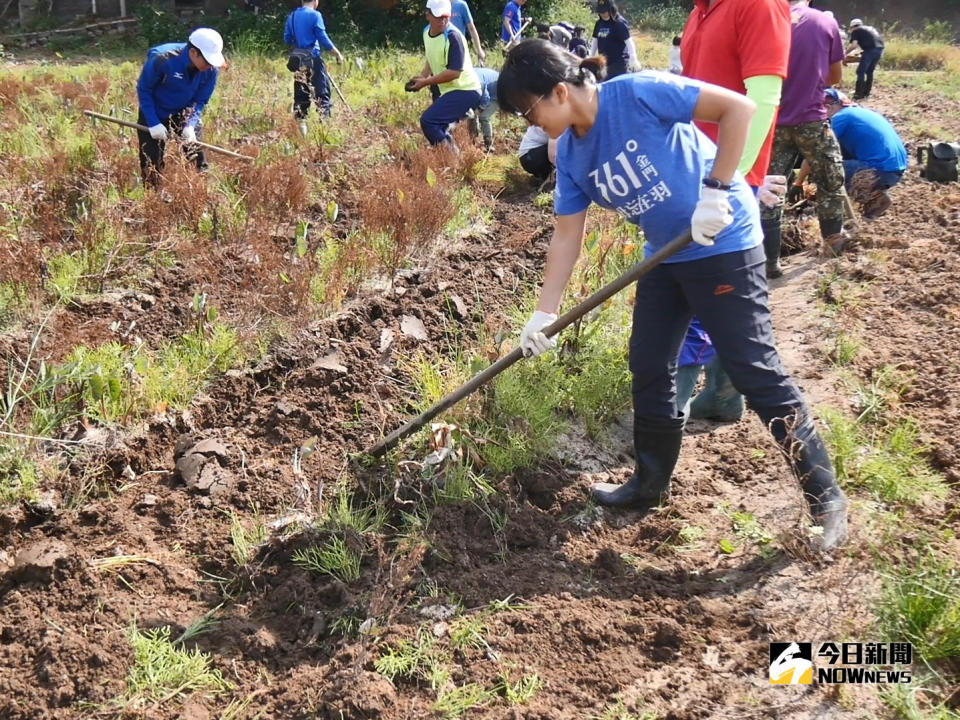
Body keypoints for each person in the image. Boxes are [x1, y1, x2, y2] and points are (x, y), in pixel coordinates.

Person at [499, 40, 849, 552]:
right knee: (648, 363)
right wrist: (542, 314)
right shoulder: (572, 154)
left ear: (558, 91)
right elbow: (565, 237)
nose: (530, 126)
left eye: (528, 111)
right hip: (666, 255)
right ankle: (649, 483)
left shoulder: (638, 93)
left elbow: (738, 108)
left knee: (754, 369)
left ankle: (826, 499)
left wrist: (717, 189)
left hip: (722, 242)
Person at [761, 0, 847, 276]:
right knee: (829, 179)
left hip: (773, 121)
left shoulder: (765, 20)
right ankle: (833, 242)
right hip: (811, 119)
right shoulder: (823, 21)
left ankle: (768, 261)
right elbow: (835, 76)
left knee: (770, 188)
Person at [794, 89, 906, 219]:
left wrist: (798, 182)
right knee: (836, 155)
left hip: (877, 170)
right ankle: (874, 196)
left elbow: (815, 154)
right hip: (893, 172)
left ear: (828, 108)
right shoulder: (861, 113)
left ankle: (831, 211)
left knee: (824, 166)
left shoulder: (840, 118)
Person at [136, 28, 225, 186]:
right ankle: (154, 201)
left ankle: (200, 195)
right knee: (151, 165)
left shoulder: (211, 70)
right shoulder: (162, 59)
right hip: (154, 111)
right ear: (193, 53)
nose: (211, 66)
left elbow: (200, 99)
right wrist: (153, 123)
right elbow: (144, 90)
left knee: (197, 158)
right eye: (207, 61)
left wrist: (190, 124)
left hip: (185, 111)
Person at [407, 0, 482, 149]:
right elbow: (431, 56)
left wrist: (426, 82)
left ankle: (452, 160)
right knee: (438, 126)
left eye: (445, 16)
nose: (443, 20)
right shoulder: (426, 33)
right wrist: (422, 76)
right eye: (438, 17)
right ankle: (454, 159)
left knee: (429, 121)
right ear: (427, 15)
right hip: (449, 91)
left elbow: (454, 72)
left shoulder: (453, 36)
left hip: (465, 90)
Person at [284, 0, 344, 132]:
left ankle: (299, 129)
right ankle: (325, 129)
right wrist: (337, 54)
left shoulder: (292, 16)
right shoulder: (315, 15)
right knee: (322, 94)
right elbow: (323, 39)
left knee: (300, 96)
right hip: (314, 60)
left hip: (299, 60)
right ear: (316, 1)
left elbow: (287, 39)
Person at [590, 0, 638, 79]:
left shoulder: (619, 23)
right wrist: (590, 57)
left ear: (611, 9)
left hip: (619, 64)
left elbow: (629, 41)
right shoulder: (599, 23)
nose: (603, 14)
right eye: (601, 12)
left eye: (605, 11)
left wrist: (633, 59)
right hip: (604, 64)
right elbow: (595, 41)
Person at [846, 18, 884, 100]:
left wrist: (845, 53)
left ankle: (858, 94)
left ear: (852, 26)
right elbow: (872, 40)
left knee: (860, 71)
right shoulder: (870, 28)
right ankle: (866, 92)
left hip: (870, 50)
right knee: (869, 71)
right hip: (880, 49)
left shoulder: (856, 31)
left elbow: (854, 45)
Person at [470, 67, 499, 152]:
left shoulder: (477, 81)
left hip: (498, 94)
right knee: (471, 114)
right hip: (484, 91)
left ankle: (489, 145)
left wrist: (479, 110)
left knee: (483, 116)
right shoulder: (465, 77)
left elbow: (485, 100)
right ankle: (473, 142)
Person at [449, 0, 486, 65]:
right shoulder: (439, 5)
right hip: (442, 48)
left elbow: (471, 29)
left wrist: (479, 50)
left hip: (458, 48)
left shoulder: (461, 5)